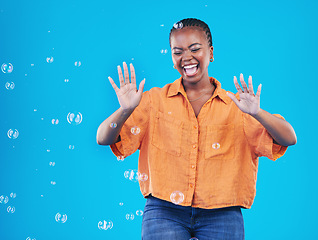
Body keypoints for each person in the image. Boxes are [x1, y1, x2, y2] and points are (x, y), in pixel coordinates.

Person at [96, 18, 297, 240]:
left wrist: (257, 113)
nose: (187, 57)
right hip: (164, 210)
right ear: (172, 58)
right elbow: (103, 138)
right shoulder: (153, 101)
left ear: (210, 52)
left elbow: (289, 138)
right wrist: (125, 110)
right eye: (178, 51)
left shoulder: (238, 106)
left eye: (195, 49)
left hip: (222, 213)